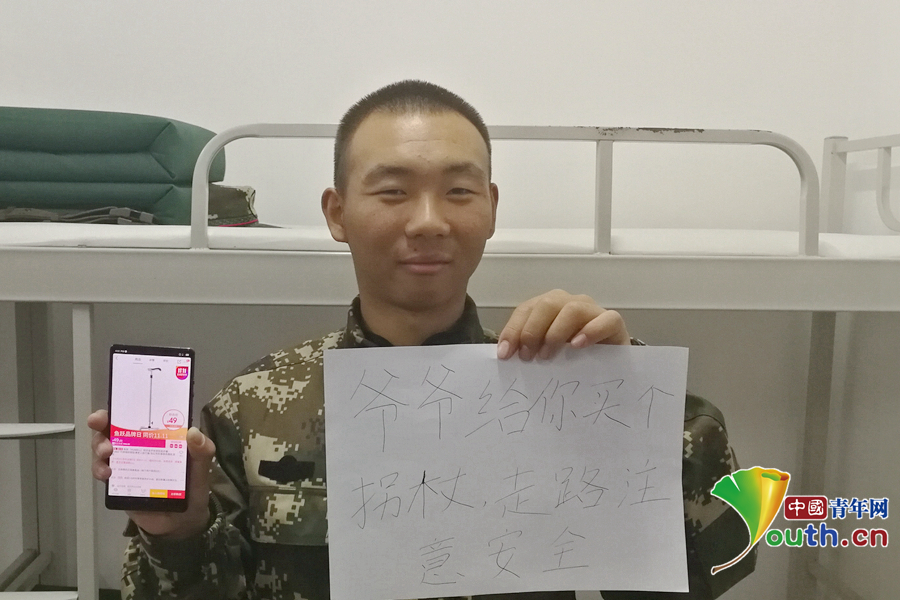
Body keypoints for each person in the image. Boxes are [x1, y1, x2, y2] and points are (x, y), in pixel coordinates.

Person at [89, 80, 755, 600]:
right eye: (393, 192)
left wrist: (633, 407)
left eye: (459, 191)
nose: (430, 221)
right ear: (337, 213)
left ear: (491, 208)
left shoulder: (560, 387)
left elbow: (725, 560)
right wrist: (175, 529)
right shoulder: (254, 405)